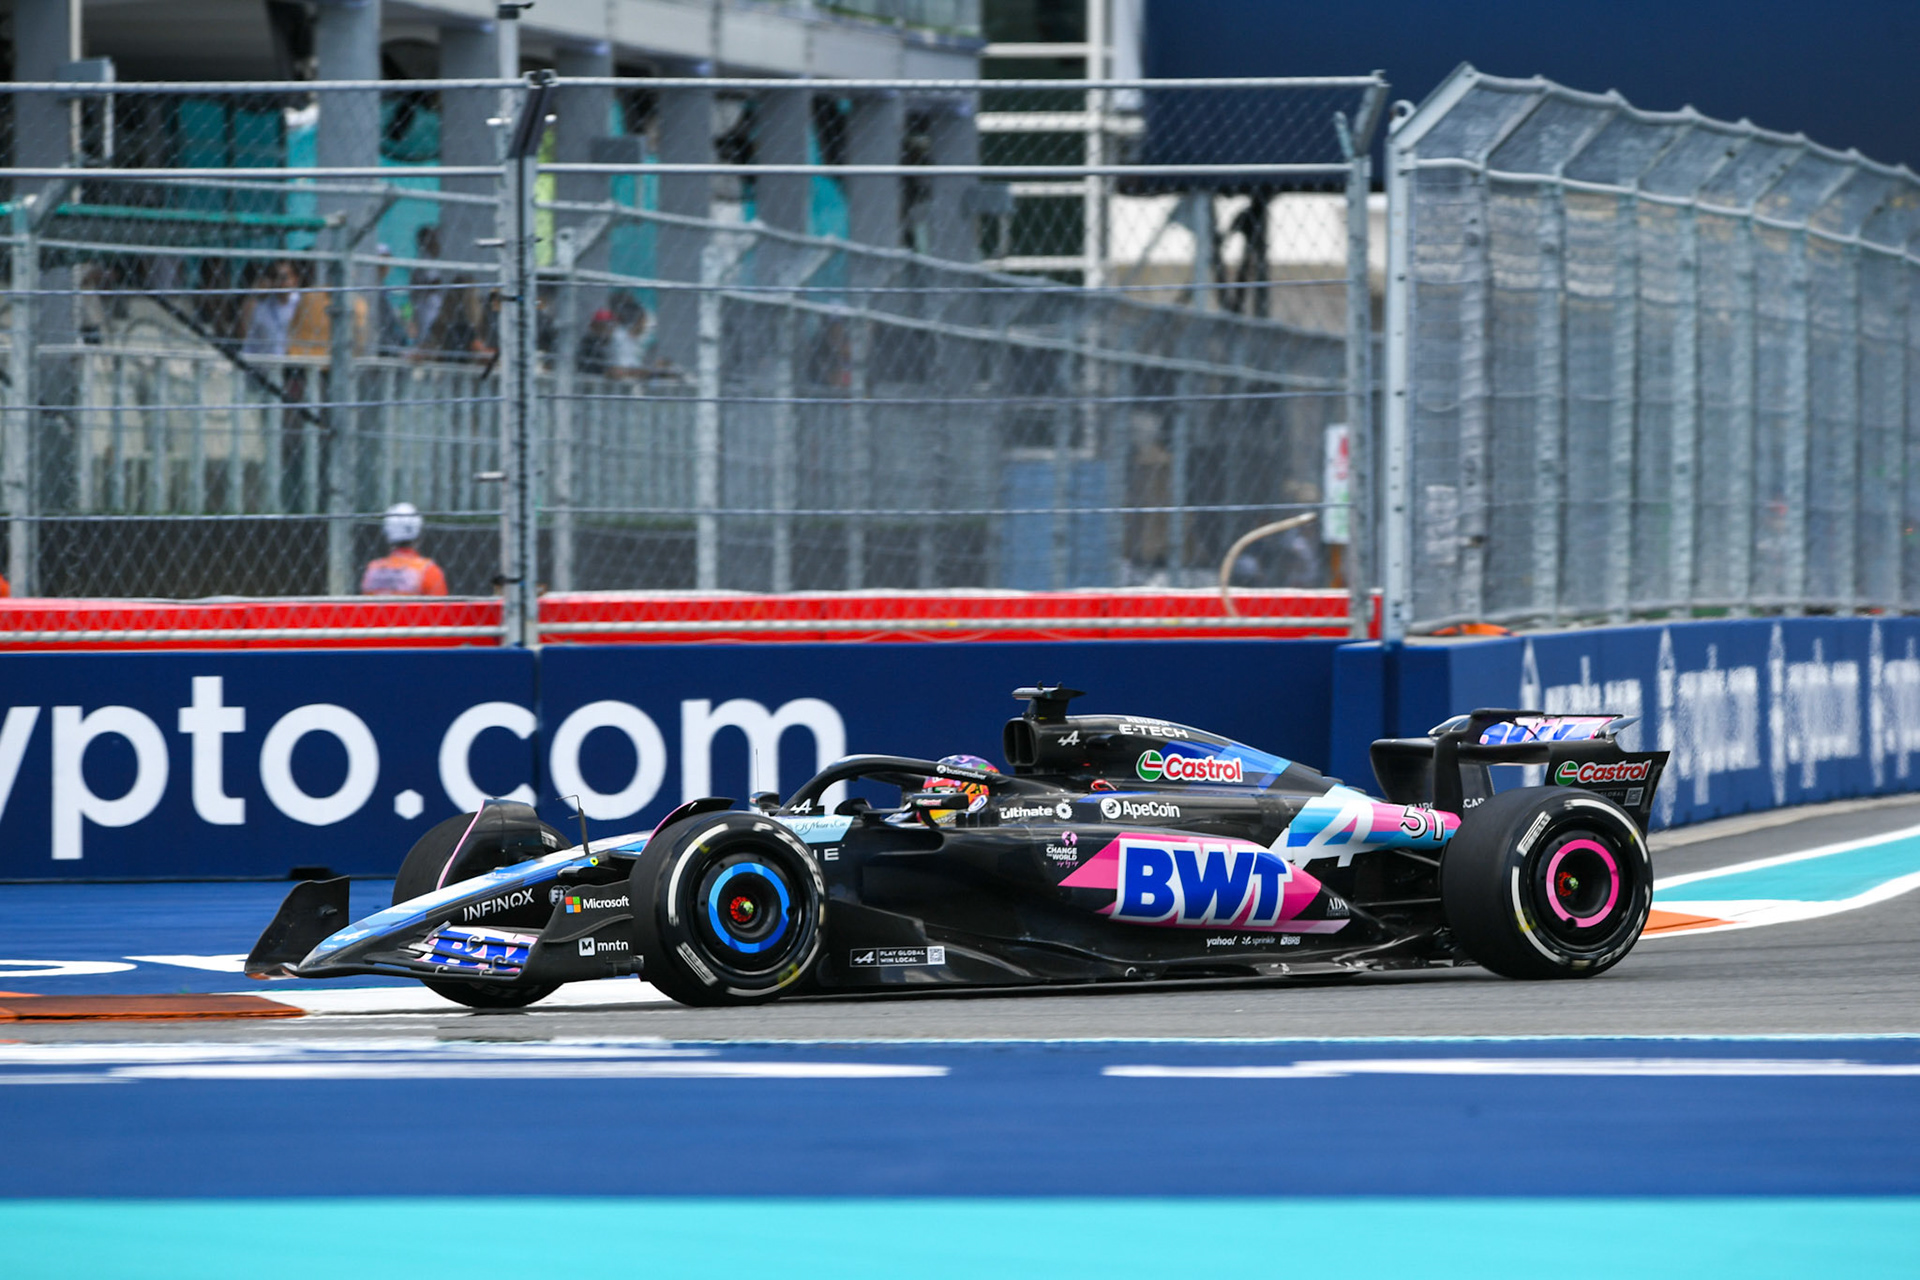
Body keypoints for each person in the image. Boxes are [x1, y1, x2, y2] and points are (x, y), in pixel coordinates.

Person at [361, 502, 449, 596]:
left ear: (386, 533)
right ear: (419, 534)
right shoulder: (429, 571)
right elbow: (442, 609)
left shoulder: (373, 570)